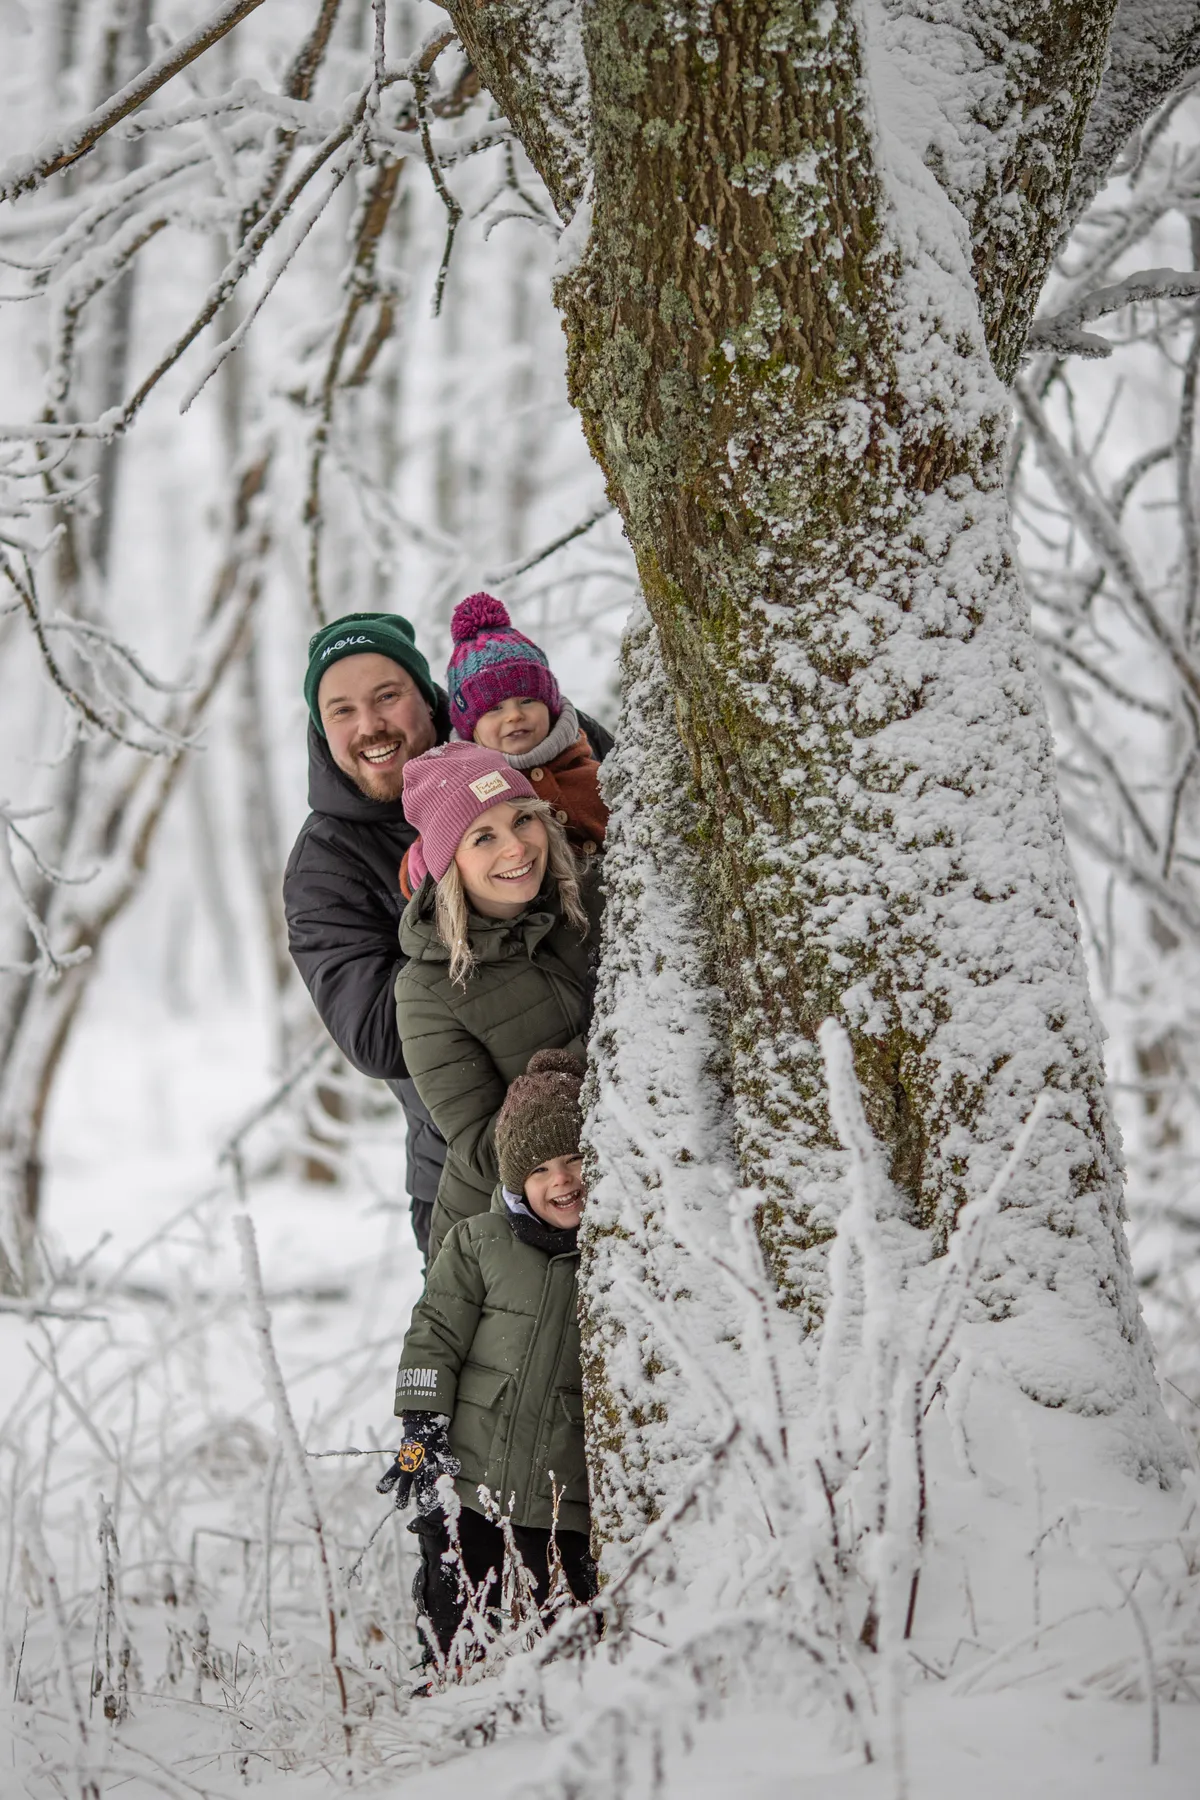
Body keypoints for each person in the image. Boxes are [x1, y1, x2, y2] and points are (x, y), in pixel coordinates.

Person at [283, 610, 612, 1261]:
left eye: (387, 697)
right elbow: (378, 1038)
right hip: (478, 1183)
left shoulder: (519, 761)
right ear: (322, 729)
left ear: (429, 698)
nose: (370, 725)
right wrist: (467, 903)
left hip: (637, 1123)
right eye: (342, 710)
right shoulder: (326, 863)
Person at [379, 1050, 595, 1664]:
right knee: (457, 1616)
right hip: (467, 1484)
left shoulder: (614, 1255)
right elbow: (432, 1337)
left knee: (561, 1635)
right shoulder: (477, 1243)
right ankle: (440, 1694)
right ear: (514, 1181)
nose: (563, 1180)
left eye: (576, 1159)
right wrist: (420, 1433)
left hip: (561, 1502)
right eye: (542, 1169)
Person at [395, 740, 601, 1262]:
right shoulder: (427, 990)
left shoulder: (586, 898)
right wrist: (614, 1040)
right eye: (483, 836)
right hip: (506, 1256)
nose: (516, 848)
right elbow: (486, 1151)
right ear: (449, 864)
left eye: (523, 820)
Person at [399, 592, 606, 897]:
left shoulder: (596, 777)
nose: (514, 716)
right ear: (472, 728)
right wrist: (419, 865)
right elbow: (436, 839)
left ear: (549, 707)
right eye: (494, 709)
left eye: (527, 700)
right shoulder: (466, 794)